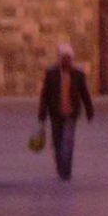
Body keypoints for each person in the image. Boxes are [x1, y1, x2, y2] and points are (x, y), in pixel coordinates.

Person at [37, 42, 94, 181]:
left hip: (71, 113)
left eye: (68, 58)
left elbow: (84, 93)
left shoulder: (78, 75)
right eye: (63, 57)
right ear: (59, 58)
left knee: (68, 142)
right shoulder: (51, 74)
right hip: (56, 113)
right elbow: (45, 95)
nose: (66, 60)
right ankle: (60, 166)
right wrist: (42, 113)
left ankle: (65, 171)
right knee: (57, 142)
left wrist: (89, 110)